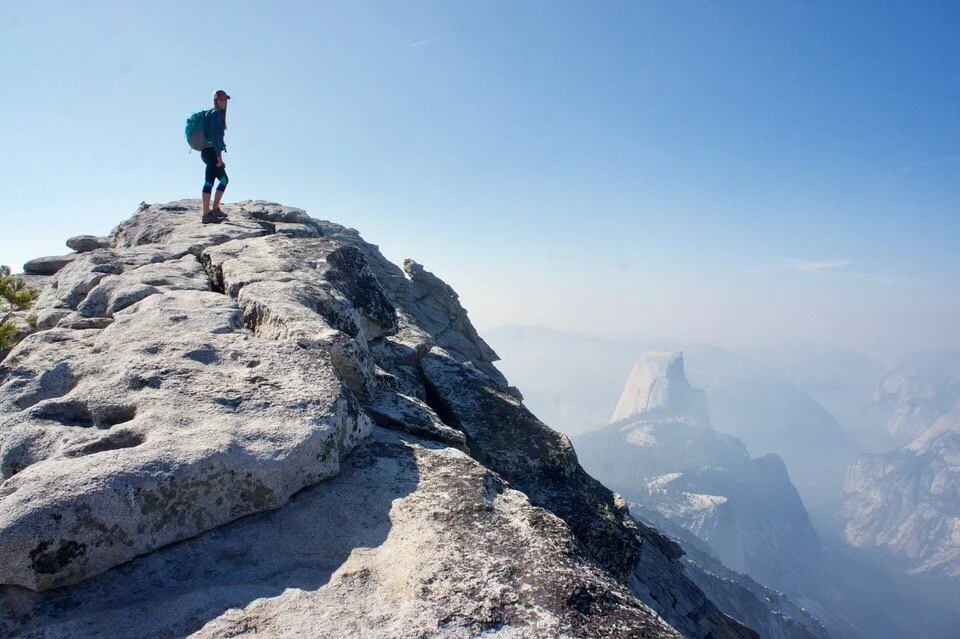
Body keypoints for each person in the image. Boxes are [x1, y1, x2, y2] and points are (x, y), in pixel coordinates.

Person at [201, 90, 231, 224]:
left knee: (218, 180)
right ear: (215, 100)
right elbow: (216, 137)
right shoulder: (215, 114)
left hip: (208, 151)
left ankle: (212, 211)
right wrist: (219, 157)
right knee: (218, 181)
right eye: (220, 99)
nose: (223, 102)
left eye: (225, 100)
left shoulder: (214, 114)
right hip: (212, 152)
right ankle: (208, 213)